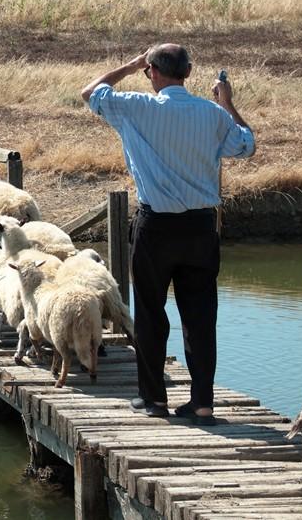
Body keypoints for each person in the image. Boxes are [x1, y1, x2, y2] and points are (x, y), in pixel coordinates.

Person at [80, 44, 254, 426]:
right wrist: (227, 102)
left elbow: (89, 92)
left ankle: (154, 399)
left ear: (153, 73)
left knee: (150, 314)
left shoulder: (135, 107)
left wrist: (128, 66)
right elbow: (246, 144)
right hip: (200, 228)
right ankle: (203, 404)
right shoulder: (212, 114)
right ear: (188, 73)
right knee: (200, 317)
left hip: (155, 226)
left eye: (147, 71)